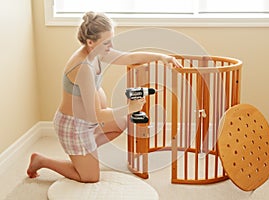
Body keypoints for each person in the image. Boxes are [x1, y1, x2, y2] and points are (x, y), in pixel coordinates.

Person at [27, 11, 182, 183]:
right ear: (90, 42)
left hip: (89, 121)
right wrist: (129, 108)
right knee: (90, 177)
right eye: (107, 42)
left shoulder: (98, 51)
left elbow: (127, 57)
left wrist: (161, 57)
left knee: (124, 122)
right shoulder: (83, 67)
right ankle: (42, 160)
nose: (111, 45)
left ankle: (87, 150)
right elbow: (96, 114)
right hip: (74, 127)